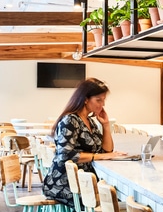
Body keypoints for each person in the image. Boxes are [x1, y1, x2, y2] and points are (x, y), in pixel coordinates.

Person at [42, 77, 129, 205]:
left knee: (115, 197)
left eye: (104, 100)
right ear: (85, 99)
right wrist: (101, 156)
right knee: (113, 200)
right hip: (64, 183)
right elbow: (65, 155)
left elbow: (106, 150)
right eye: (98, 100)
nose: (102, 105)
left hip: (82, 181)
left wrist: (105, 125)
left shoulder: (90, 121)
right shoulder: (70, 121)